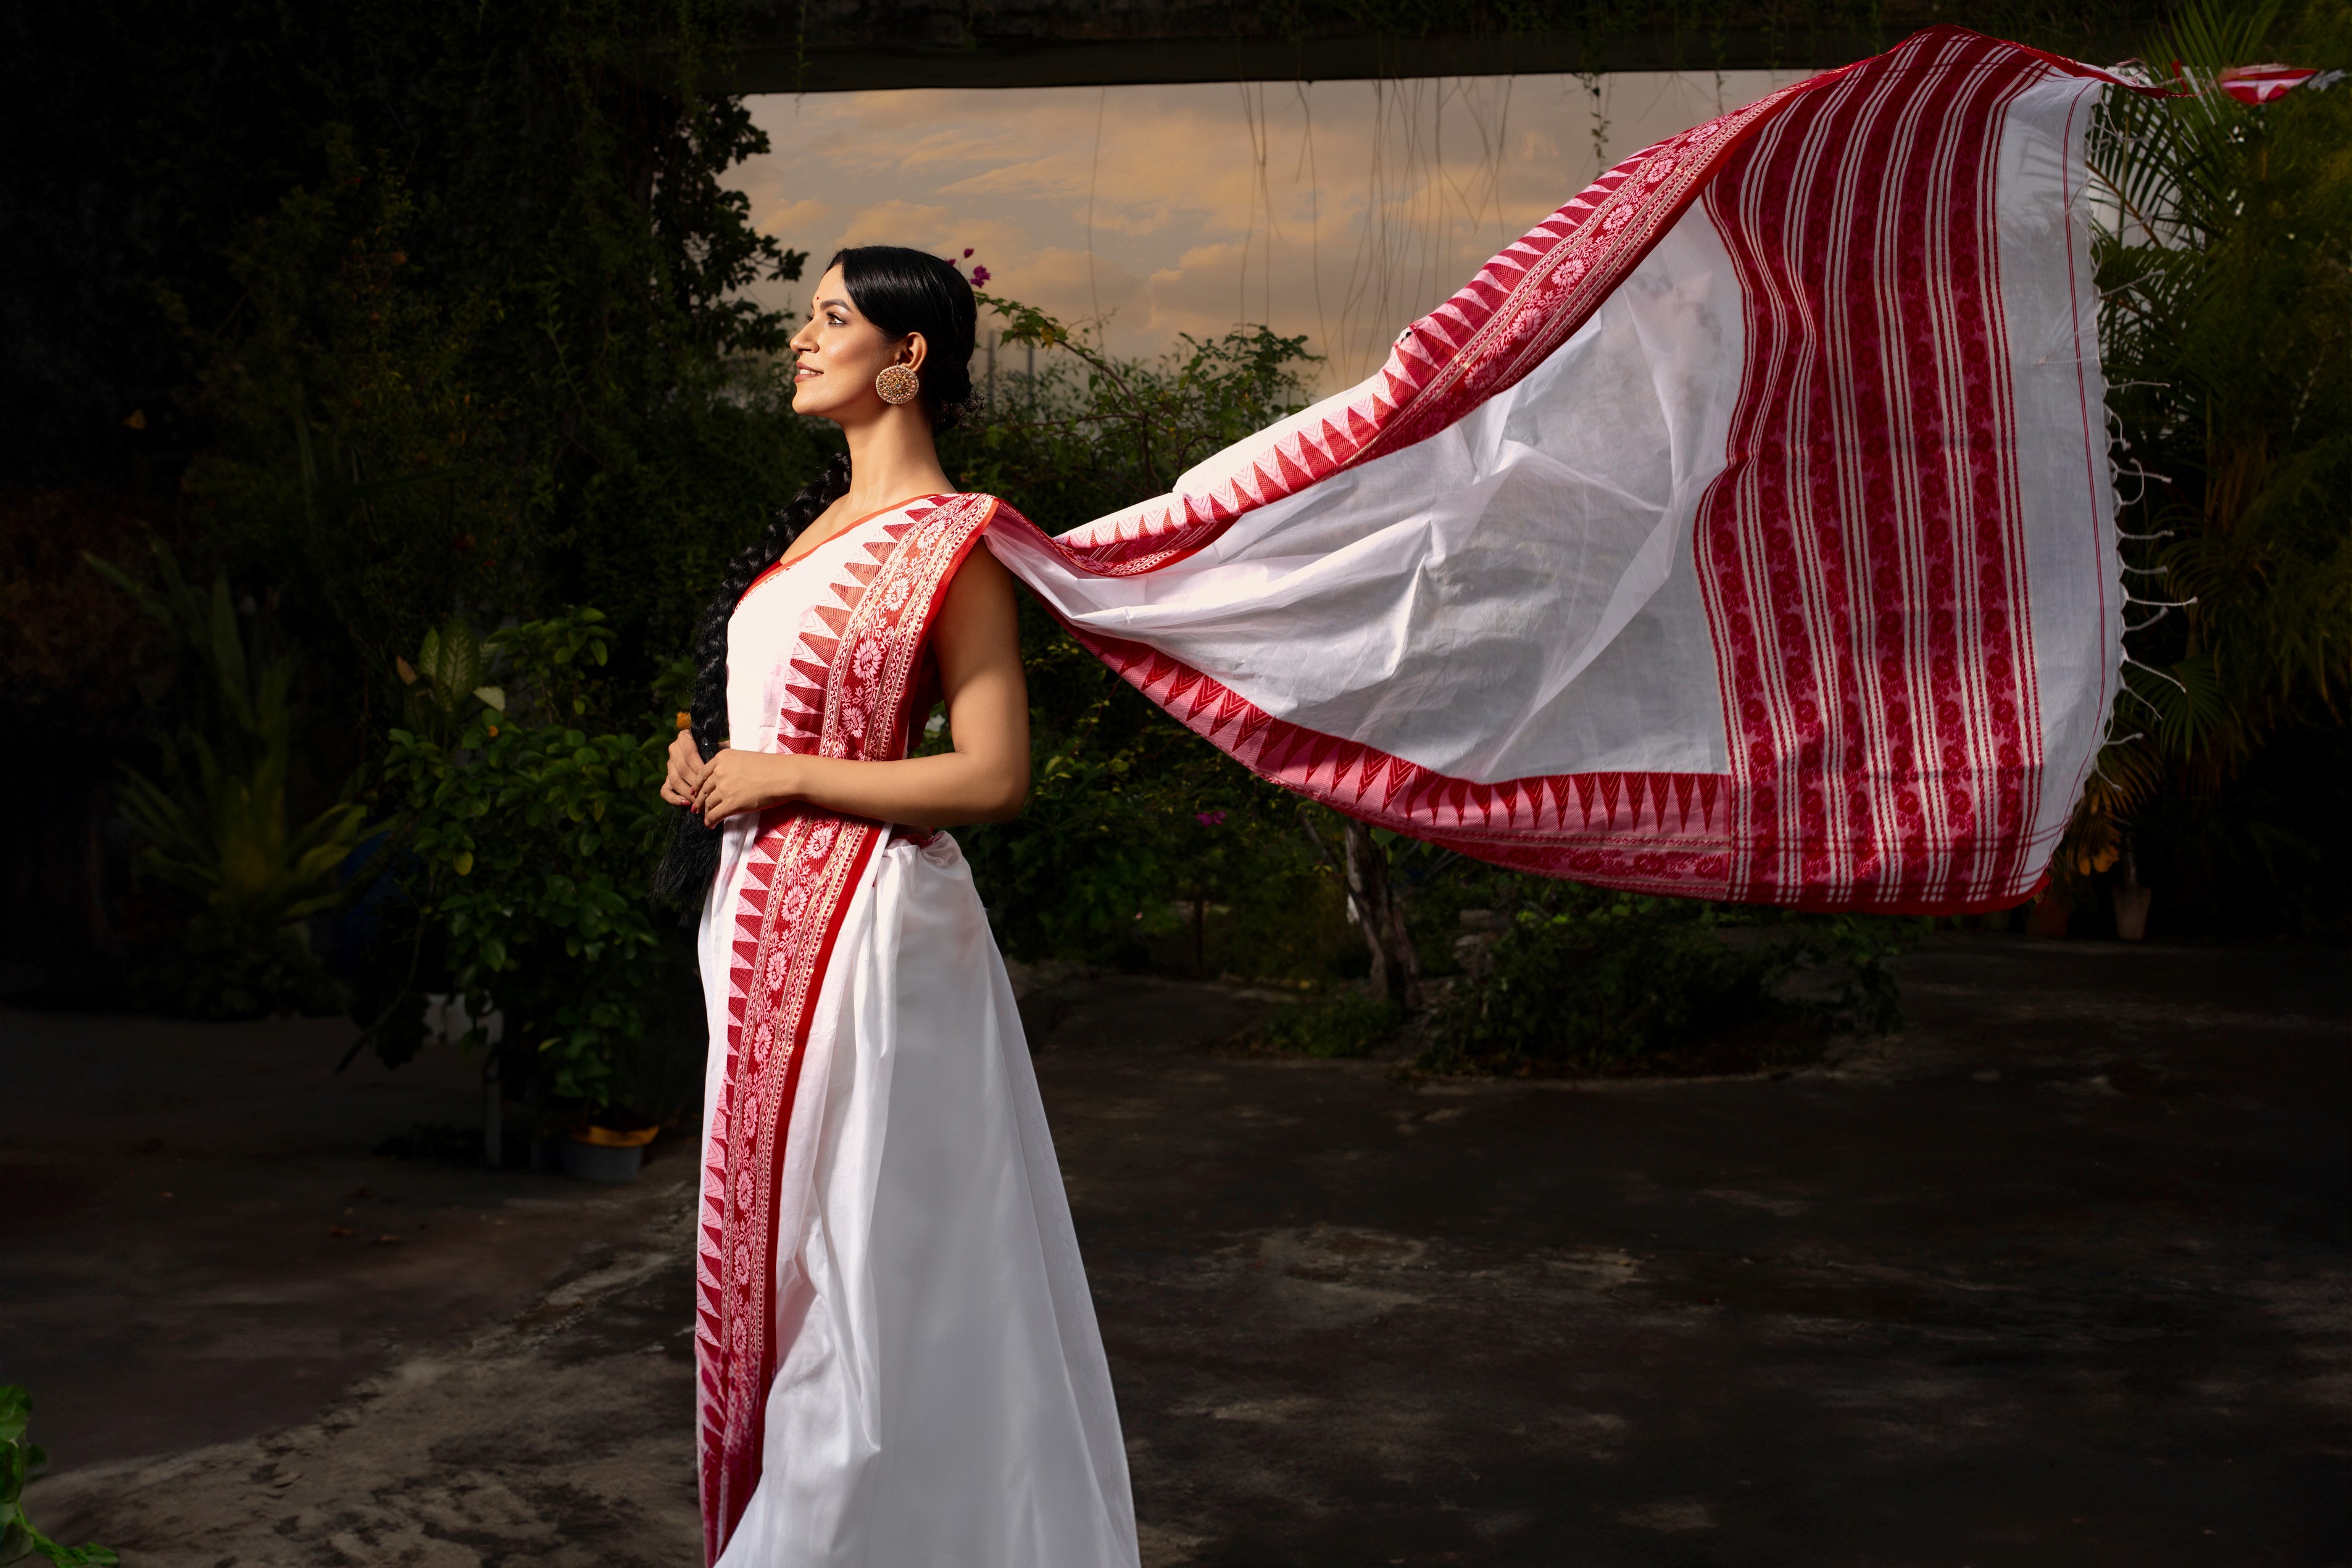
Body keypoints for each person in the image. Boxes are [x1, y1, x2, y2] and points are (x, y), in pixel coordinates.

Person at [657, 246, 1137, 1568]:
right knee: (790, 1261)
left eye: (830, 318)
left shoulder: (954, 540)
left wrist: (791, 771)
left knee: (872, 1265)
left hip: (876, 934)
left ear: (909, 358)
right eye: (804, 316)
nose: (800, 339)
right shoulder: (807, 534)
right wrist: (716, 770)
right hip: (756, 923)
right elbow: (770, 722)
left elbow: (992, 772)